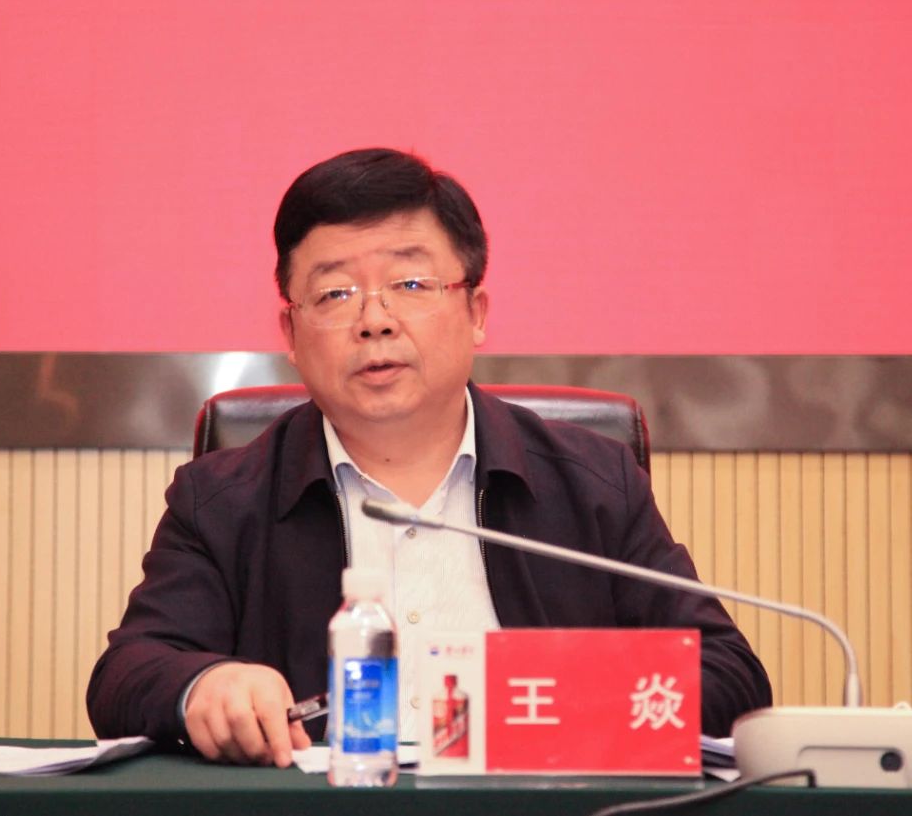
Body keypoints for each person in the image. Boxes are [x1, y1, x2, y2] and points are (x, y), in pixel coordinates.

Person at [87, 148, 771, 768]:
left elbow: (729, 678)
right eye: (335, 293)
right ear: (290, 332)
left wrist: (541, 702)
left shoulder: (592, 483)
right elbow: (127, 675)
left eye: (411, 284)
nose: (375, 320)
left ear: (476, 311)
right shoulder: (221, 499)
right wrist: (206, 684)